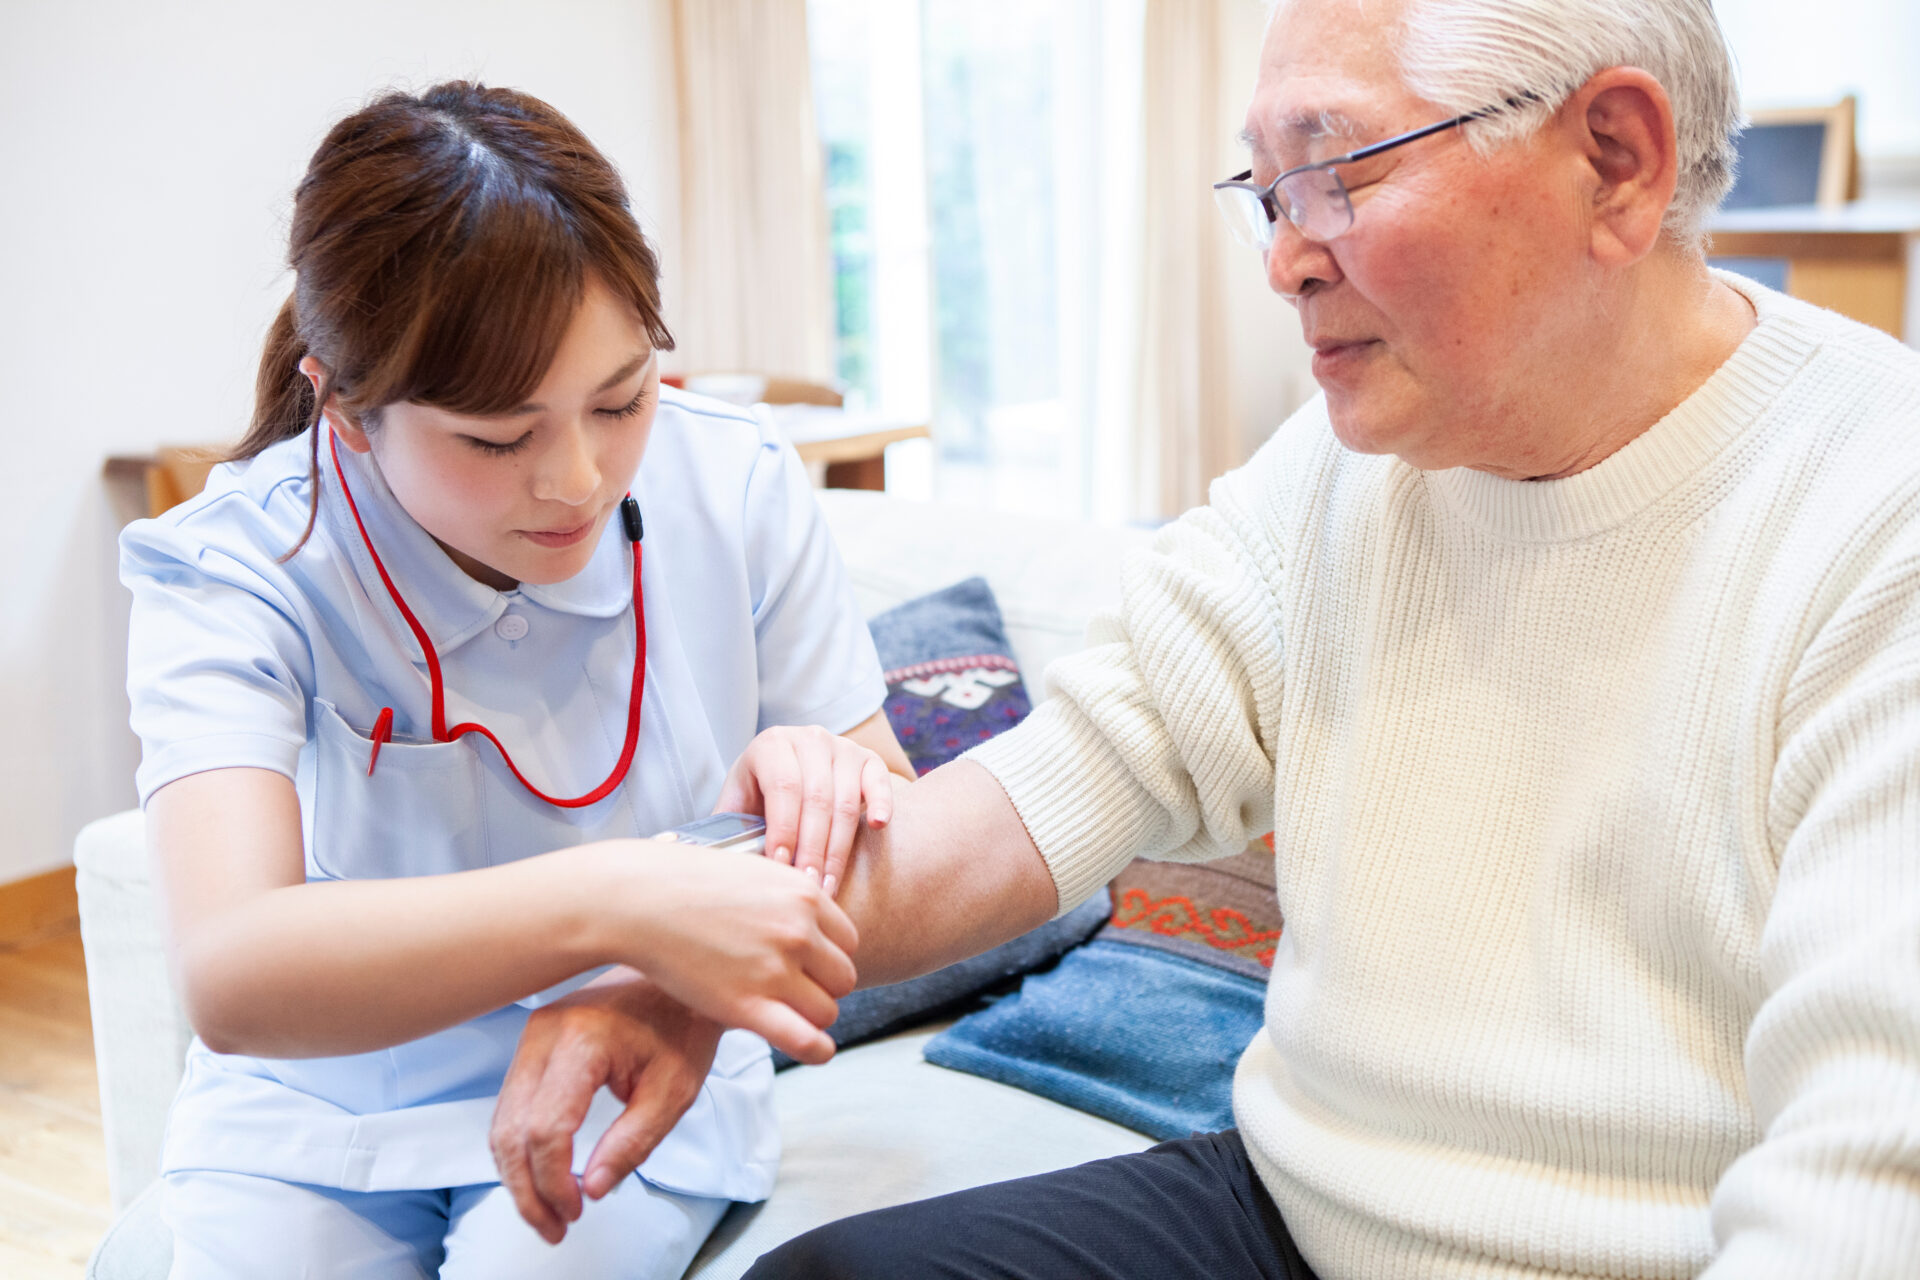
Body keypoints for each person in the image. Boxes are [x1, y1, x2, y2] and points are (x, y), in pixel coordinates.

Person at [490, 0, 1920, 1275]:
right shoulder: (1344, 468)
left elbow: (1865, 1173)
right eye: (1269, 188)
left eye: (1339, 170)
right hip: (1298, 1210)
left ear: (1614, 158)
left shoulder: (1876, 512)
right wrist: (694, 962)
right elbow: (1050, 785)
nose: (1285, 259)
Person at [121, 81, 914, 1279]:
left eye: (622, 399)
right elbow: (233, 969)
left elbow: (894, 817)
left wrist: (821, 781)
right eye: (499, 436)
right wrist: (619, 896)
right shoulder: (236, 562)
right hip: (317, 1103)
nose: (580, 478)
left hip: (625, 1064)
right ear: (346, 408)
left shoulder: (735, 481)